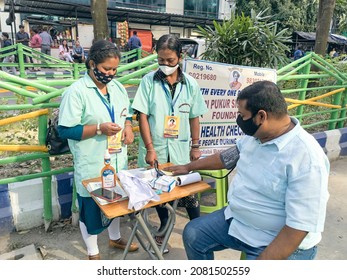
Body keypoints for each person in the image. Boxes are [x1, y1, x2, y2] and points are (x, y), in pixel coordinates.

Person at [164, 80, 330, 260]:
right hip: (238, 221)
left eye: (242, 115)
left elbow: (299, 227)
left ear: (261, 116)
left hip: (277, 240)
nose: (239, 120)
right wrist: (188, 167)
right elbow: (226, 157)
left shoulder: (306, 157)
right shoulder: (257, 137)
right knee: (194, 233)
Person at [57, 39, 138, 260]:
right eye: (106, 69)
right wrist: (99, 129)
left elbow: (127, 112)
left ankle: (115, 237)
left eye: (114, 69)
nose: (111, 73)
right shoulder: (77, 92)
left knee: (116, 202)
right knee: (91, 209)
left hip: (117, 159)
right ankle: (93, 253)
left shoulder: (118, 87)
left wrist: (129, 126)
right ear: (92, 64)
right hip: (92, 161)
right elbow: (65, 130)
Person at [132, 34, 208, 252]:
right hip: (156, 147)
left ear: (180, 57)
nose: (165, 65)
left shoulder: (190, 84)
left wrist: (195, 146)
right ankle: (164, 231)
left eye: (170, 60)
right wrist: (149, 148)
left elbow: (195, 117)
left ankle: (199, 233)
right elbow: (142, 116)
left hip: (181, 148)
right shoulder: (149, 81)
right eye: (161, 60)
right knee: (159, 194)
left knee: (189, 194)